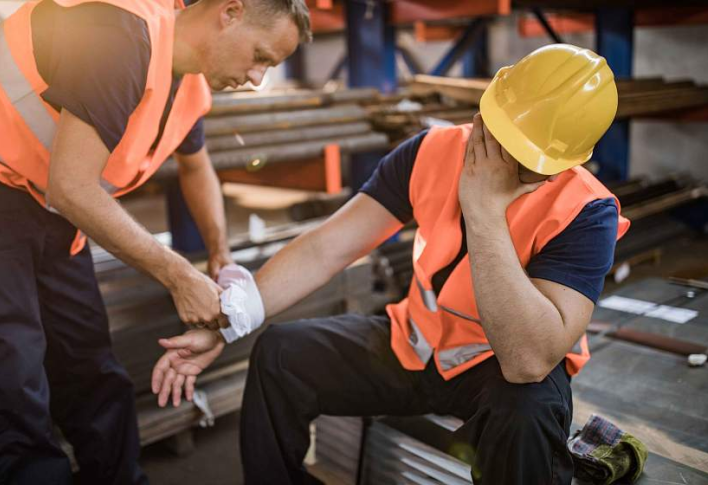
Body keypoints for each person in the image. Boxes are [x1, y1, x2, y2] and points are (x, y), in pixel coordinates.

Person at [153, 44, 631, 484]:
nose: (503, 160)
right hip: (413, 346)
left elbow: (528, 360)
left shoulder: (586, 211)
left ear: (561, 164)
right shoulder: (430, 152)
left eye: (525, 159)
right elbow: (327, 248)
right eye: (499, 136)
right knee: (279, 354)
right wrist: (228, 321)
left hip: (496, 372)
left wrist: (484, 209)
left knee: (528, 413)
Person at [0, 0, 310, 483]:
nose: (257, 78)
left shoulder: (188, 81)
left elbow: (195, 166)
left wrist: (219, 255)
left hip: (45, 194)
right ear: (230, 12)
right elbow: (72, 188)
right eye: (261, 56)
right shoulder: (121, 33)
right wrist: (179, 276)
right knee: (5, 374)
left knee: (88, 361)